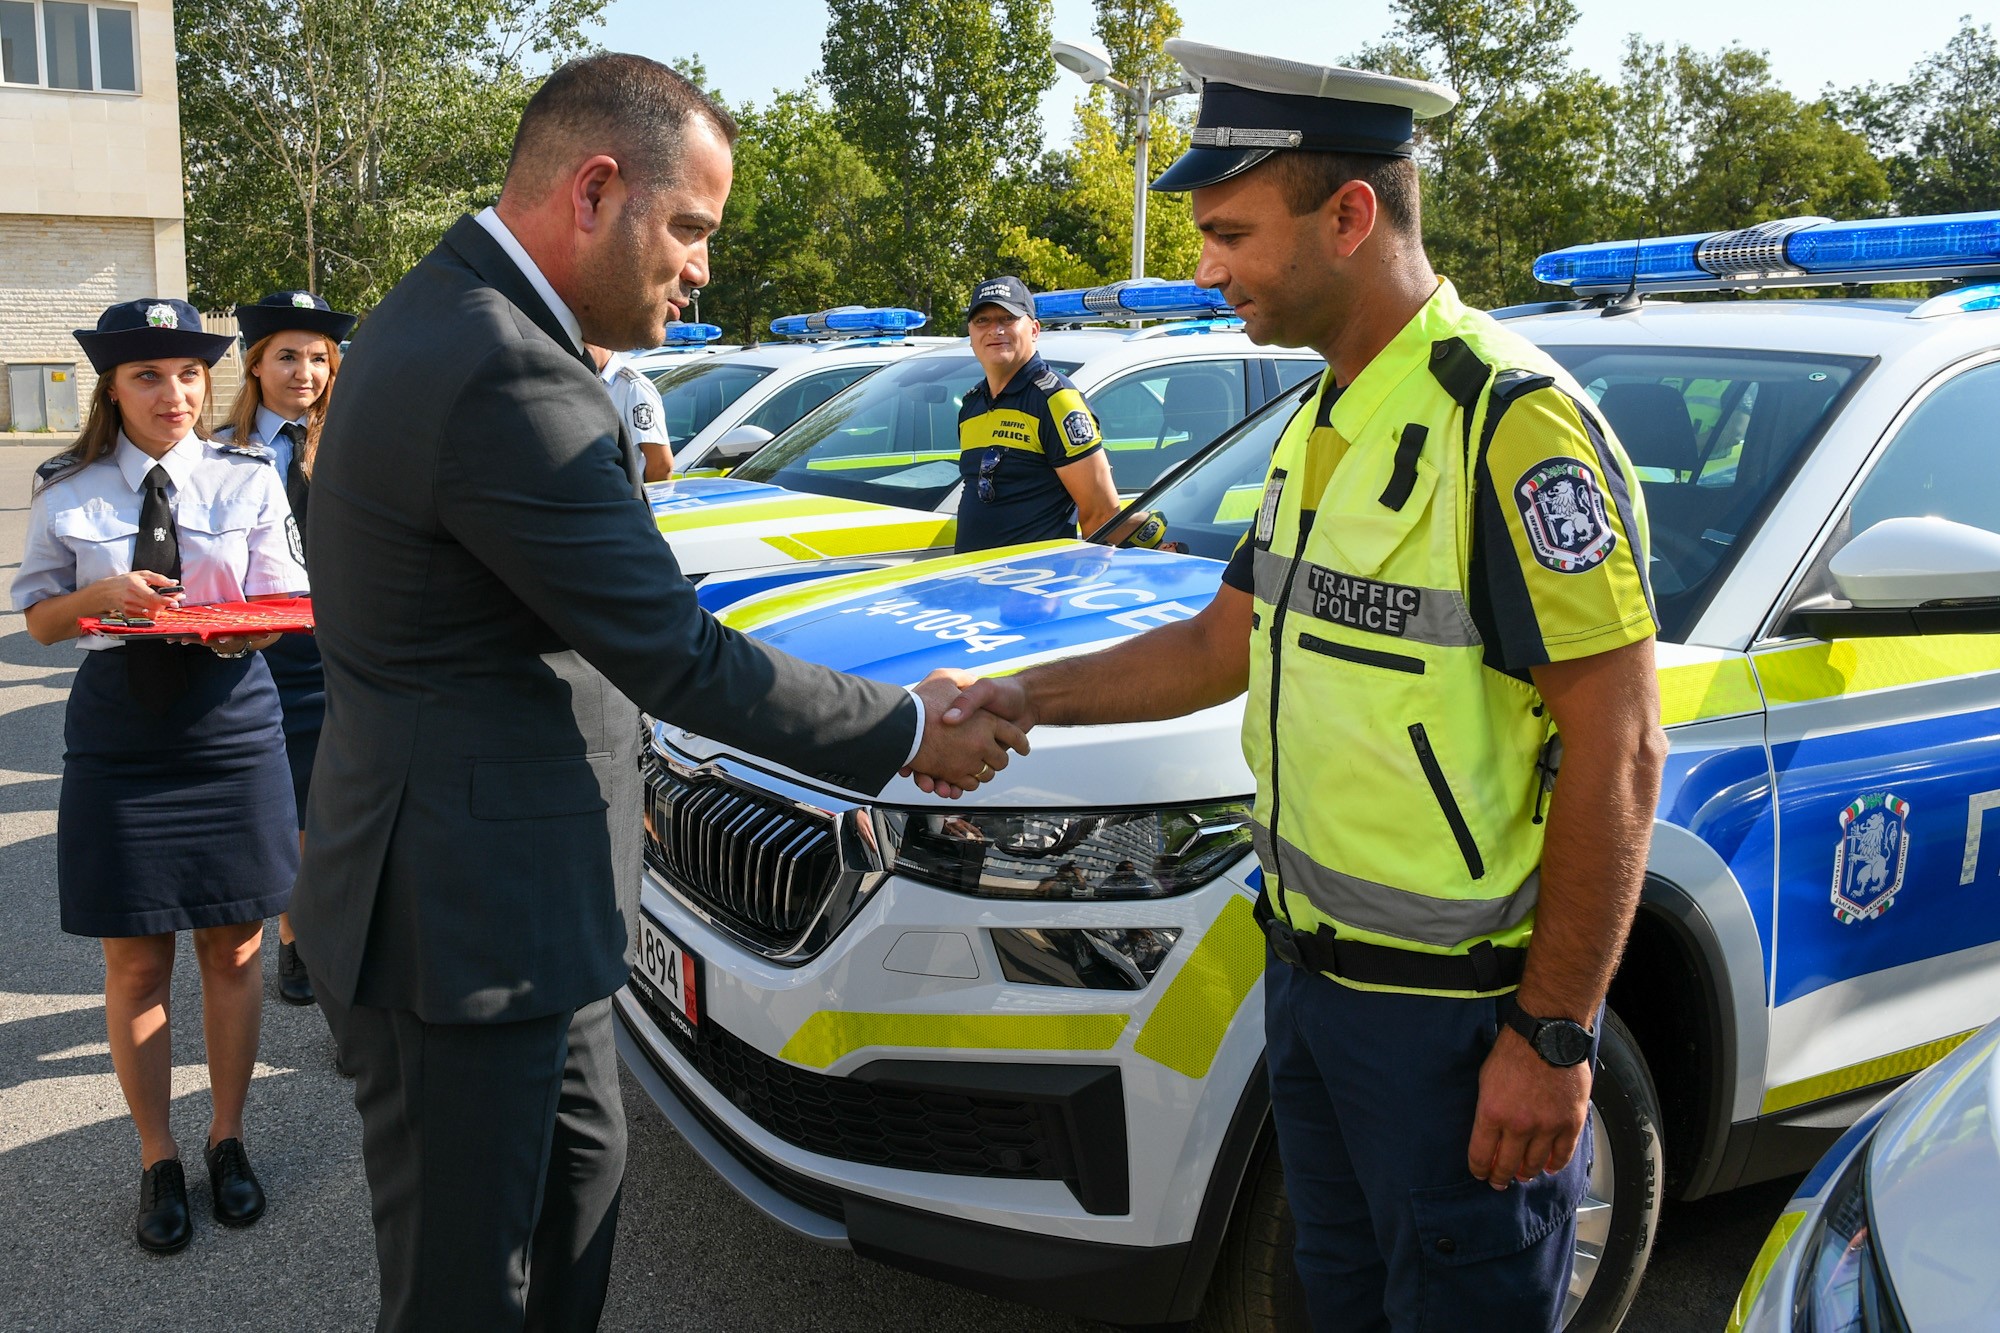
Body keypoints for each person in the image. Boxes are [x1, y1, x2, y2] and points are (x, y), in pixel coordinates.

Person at [930, 40, 1669, 1333]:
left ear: (1350, 215)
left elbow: (1623, 748)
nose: (1205, 266)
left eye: (1228, 232)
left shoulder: (1508, 426)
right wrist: (1021, 697)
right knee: (1335, 1306)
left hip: (1452, 1028)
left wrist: (1556, 1037)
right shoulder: (1322, 420)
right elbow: (1224, 641)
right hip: (1311, 989)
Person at [289, 53, 1023, 1332]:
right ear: (593, 190)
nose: (700, 270)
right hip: (461, 927)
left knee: (578, 1181)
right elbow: (672, 651)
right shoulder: (502, 367)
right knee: (470, 1285)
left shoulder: (460, 320)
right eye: (688, 228)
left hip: (511, 906)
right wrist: (911, 729)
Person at [12, 298, 310, 1254]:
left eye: (189, 374)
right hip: (121, 733)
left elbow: (287, 596)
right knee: (136, 957)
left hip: (230, 720)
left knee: (232, 945)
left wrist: (251, 620)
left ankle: (228, 1139)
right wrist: (95, 596)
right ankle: (158, 1156)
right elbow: (40, 622)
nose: (174, 393)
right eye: (149, 375)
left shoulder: (247, 475)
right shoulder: (68, 489)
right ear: (113, 385)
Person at [218, 289, 358, 1007]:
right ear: (255, 364)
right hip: (263, 658)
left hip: (350, 656)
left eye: (318, 357)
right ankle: (296, 942)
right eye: (288, 356)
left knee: (348, 819)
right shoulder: (220, 454)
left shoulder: (355, 441)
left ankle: (339, 954)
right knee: (291, 817)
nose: (305, 371)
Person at [953, 275, 1123, 552]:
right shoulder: (972, 404)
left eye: (1008, 319)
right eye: (982, 320)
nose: (995, 330)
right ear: (970, 333)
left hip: (1034, 587)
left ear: (1033, 330)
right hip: (973, 584)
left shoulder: (1056, 401)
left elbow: (1101, 515)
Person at [588, 342, 675, 480]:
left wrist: (642, 501)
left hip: (626, 497)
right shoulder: (587, 384)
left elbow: (661, 464)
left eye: (584, 345)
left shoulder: (632, 387)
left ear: (603, 342)